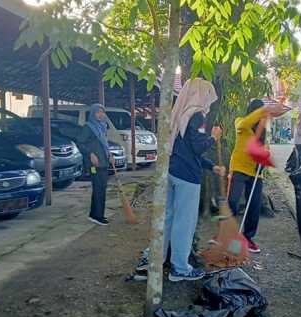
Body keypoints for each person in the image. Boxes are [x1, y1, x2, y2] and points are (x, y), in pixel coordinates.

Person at [135, 79, 225, 282]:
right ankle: (180, 268)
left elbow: (186, 151)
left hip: (172, 173)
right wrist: (213, 137)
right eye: (208, 97)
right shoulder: (197, 116)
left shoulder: (180, 115)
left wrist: (212, 167)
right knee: (184, 223)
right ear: (200, 95)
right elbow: (197, 147)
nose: (209, 103)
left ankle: (152, 260)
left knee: (166, 220)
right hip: (187, 179)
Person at [228, 99, 285, 253]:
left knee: (254, 205)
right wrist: (264, 111)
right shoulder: (241, 122)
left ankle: (248, 237)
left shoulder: (262, 131)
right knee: (232, 201)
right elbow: (244, 124)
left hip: (255, 173)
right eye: (259, 113)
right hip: (239, 169)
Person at [79, 103, 114, 226]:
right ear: (93, 114)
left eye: (102, 112)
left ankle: (96, 214)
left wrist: (110, 154)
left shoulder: (102, 126)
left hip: (104, 162)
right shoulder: (88, 127)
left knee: (102, 189)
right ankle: (97, 216)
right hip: (95, 164)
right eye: (98, 112)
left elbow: (105, 144)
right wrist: (90, 154)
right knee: (98, 188)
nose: (100, 114)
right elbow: (81, 143)